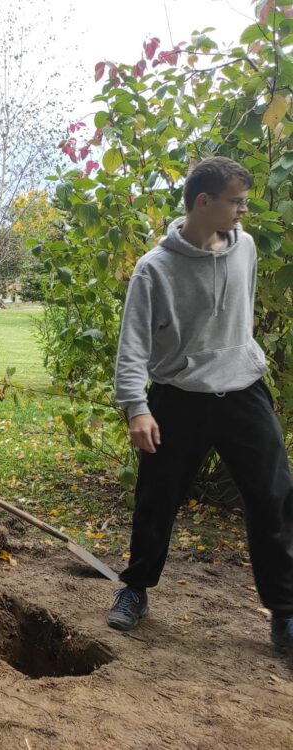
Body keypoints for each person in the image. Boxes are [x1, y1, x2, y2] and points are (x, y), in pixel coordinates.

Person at [110, 156, 293, 656]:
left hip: (243, 391)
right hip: (178, 398)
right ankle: (136, 589)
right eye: (236, 200)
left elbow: (239, 318)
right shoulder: (154, 269)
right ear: (203, 201)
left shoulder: (247, 248)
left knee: (274, 496)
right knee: (157, 498)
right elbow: (133, 348)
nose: (243, 210)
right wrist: (135, 407)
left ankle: (286, 612)